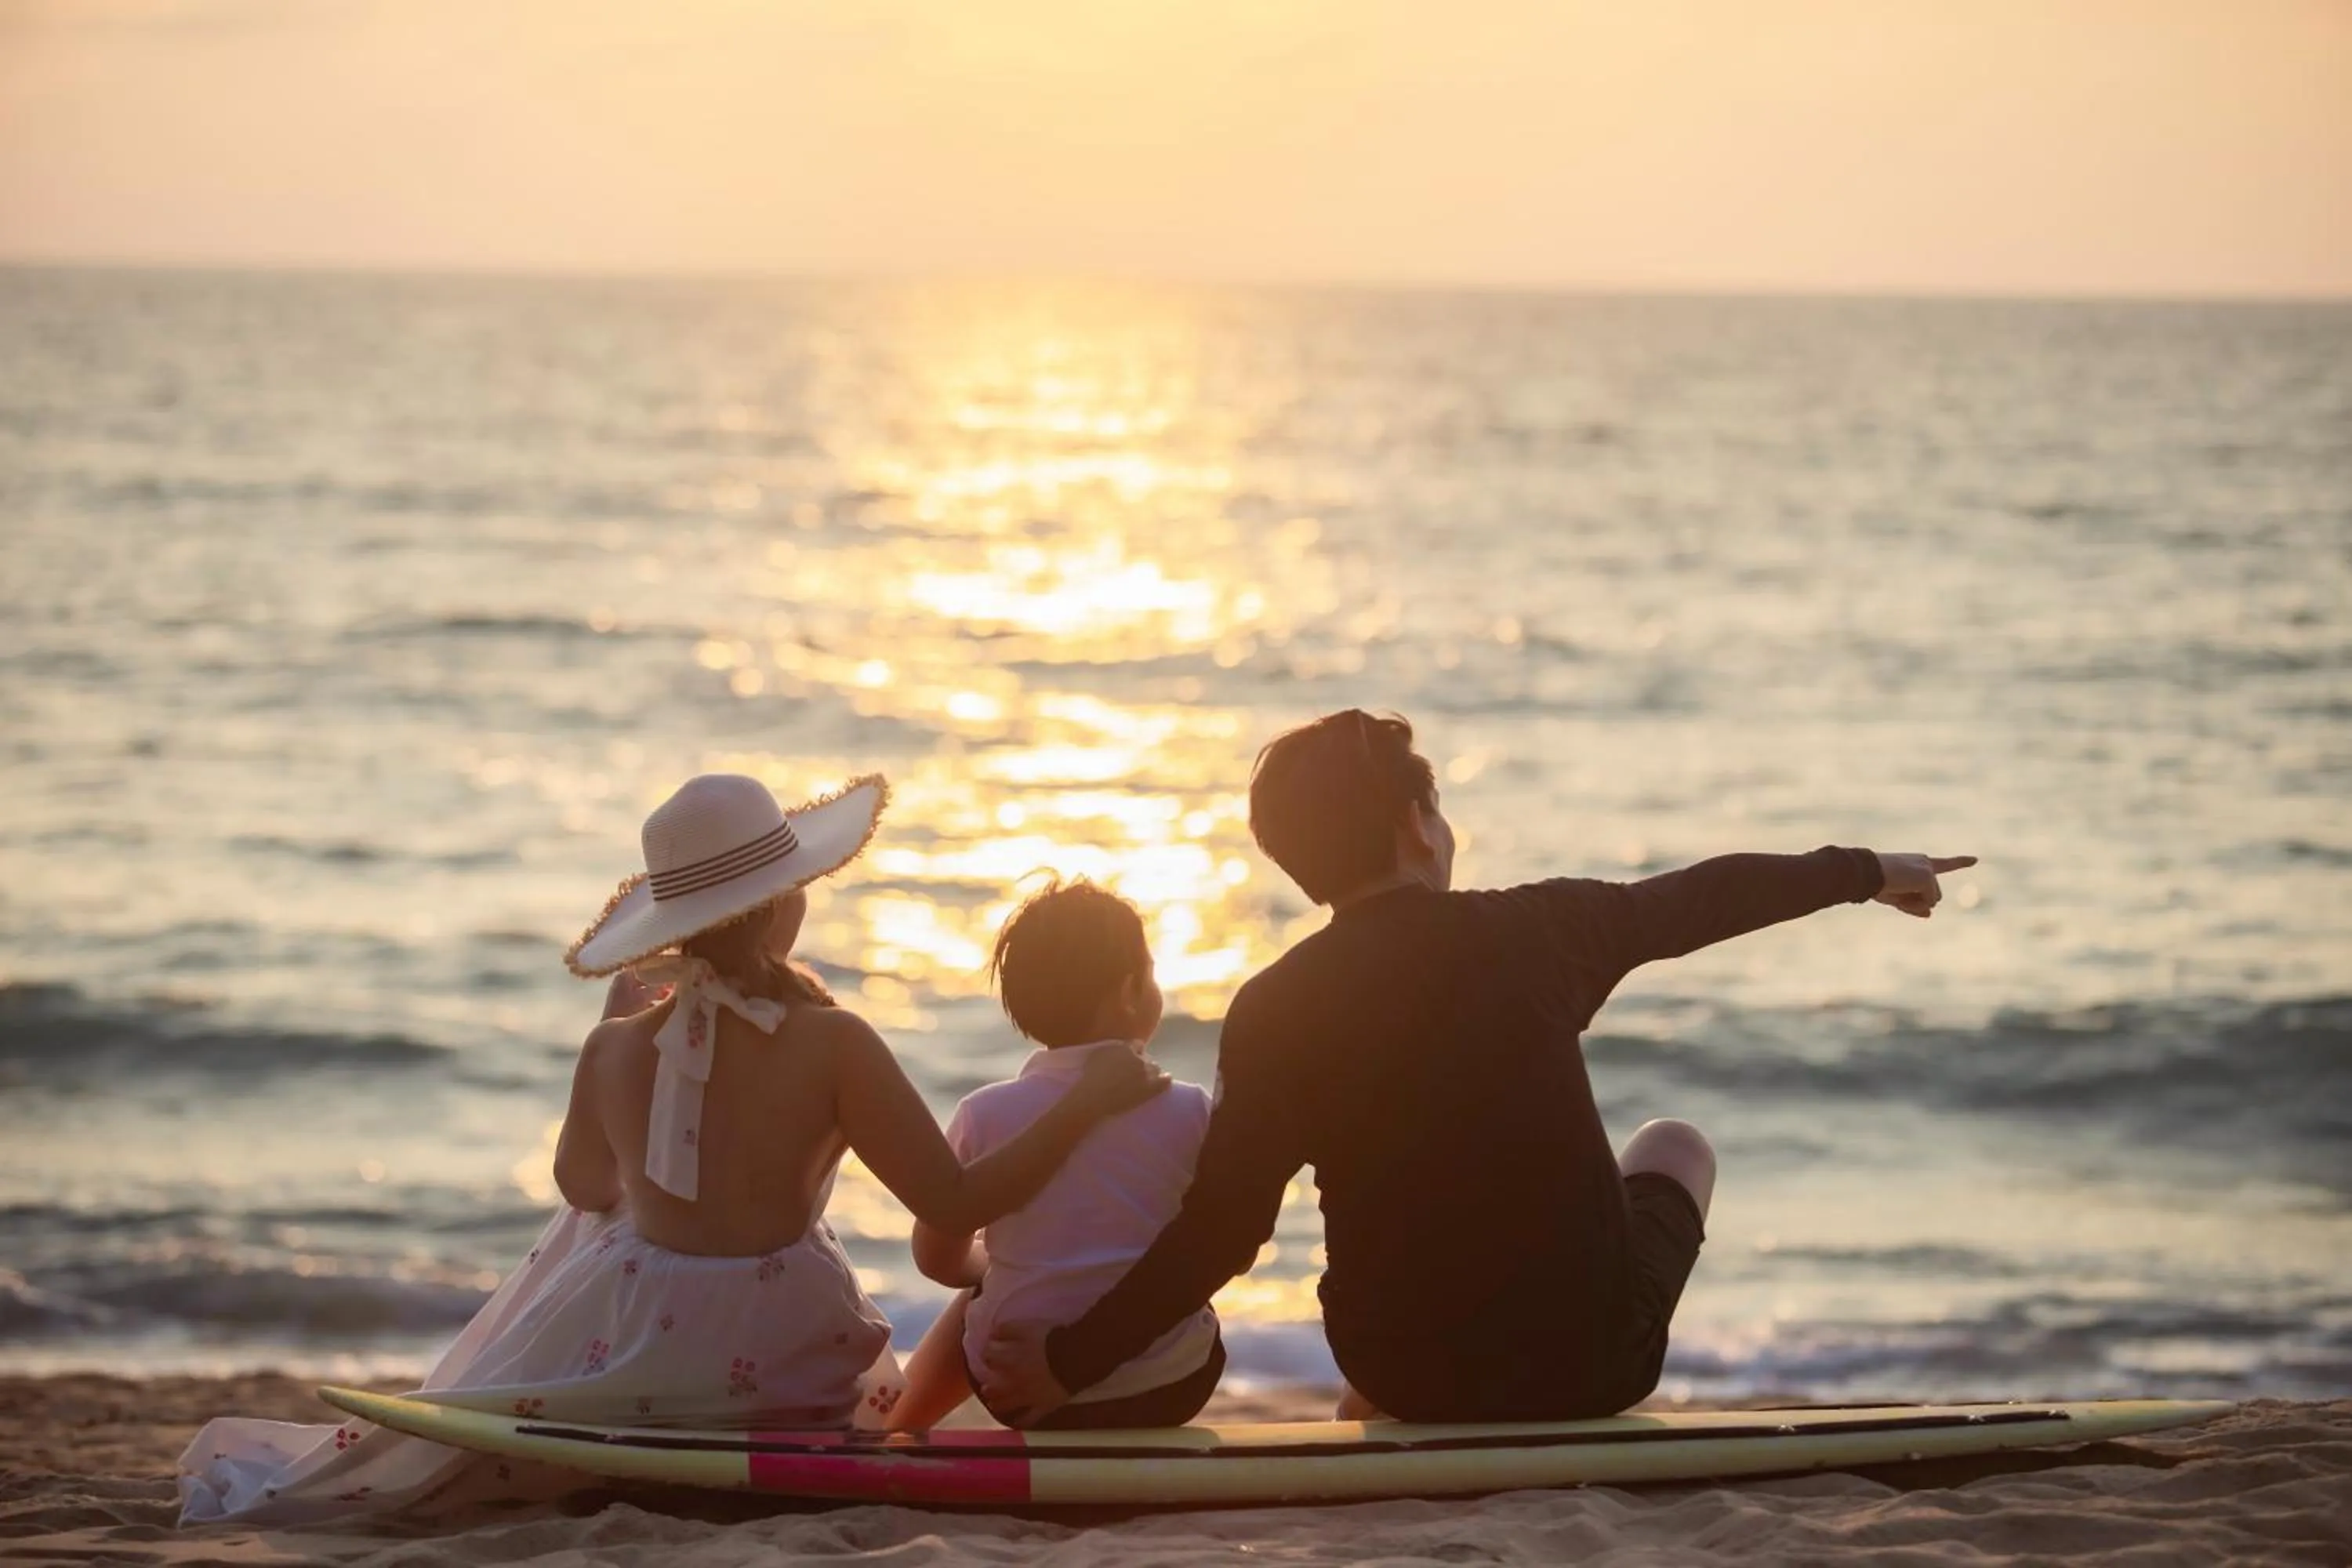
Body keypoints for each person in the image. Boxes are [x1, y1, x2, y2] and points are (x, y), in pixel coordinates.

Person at [179, 773, 1164, 1524]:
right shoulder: (834, 1040)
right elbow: (952, 1196)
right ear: (788, 902)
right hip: (781, 1359)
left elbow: (581, 1184)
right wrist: (1083, 1107)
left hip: (637, 1338)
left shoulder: (618, 1042)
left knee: (601, 1226)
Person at [980, 710, 1974, 1426]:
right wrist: (1868, 869)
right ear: (1417, 824)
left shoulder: (1275, 1005)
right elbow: (1701, 897)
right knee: (1674, 1145)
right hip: (1593, 1367)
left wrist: (1072, 1362)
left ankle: (1370, 1404)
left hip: (1402, 1368)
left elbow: (1224, 1231)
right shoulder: (1542, 929)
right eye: (1440, 808)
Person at [889, 877, 1222, 1432]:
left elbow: (937, 1258)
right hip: (1168, 1386)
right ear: (1129, 994)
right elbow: (1211, 1241)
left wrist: (991, 1271)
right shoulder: (1192, 1109)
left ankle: (900, 1425)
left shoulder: (984, 1113)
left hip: (1012, 1385)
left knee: (989, 1281)